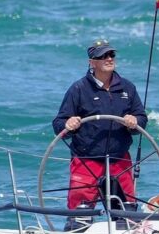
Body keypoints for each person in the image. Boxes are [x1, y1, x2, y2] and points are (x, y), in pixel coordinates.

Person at [52, 39, 147, 215]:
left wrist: (134, 121)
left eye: (111, 55)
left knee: (128, 216)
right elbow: (58, 125)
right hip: (87, 161)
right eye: (103, 56)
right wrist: (68, 124)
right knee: (79, 217)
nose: (109, 59)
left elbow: (142, 119)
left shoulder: (128, 87)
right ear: (92, 62)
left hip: (120, 162)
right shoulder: (79, 89)